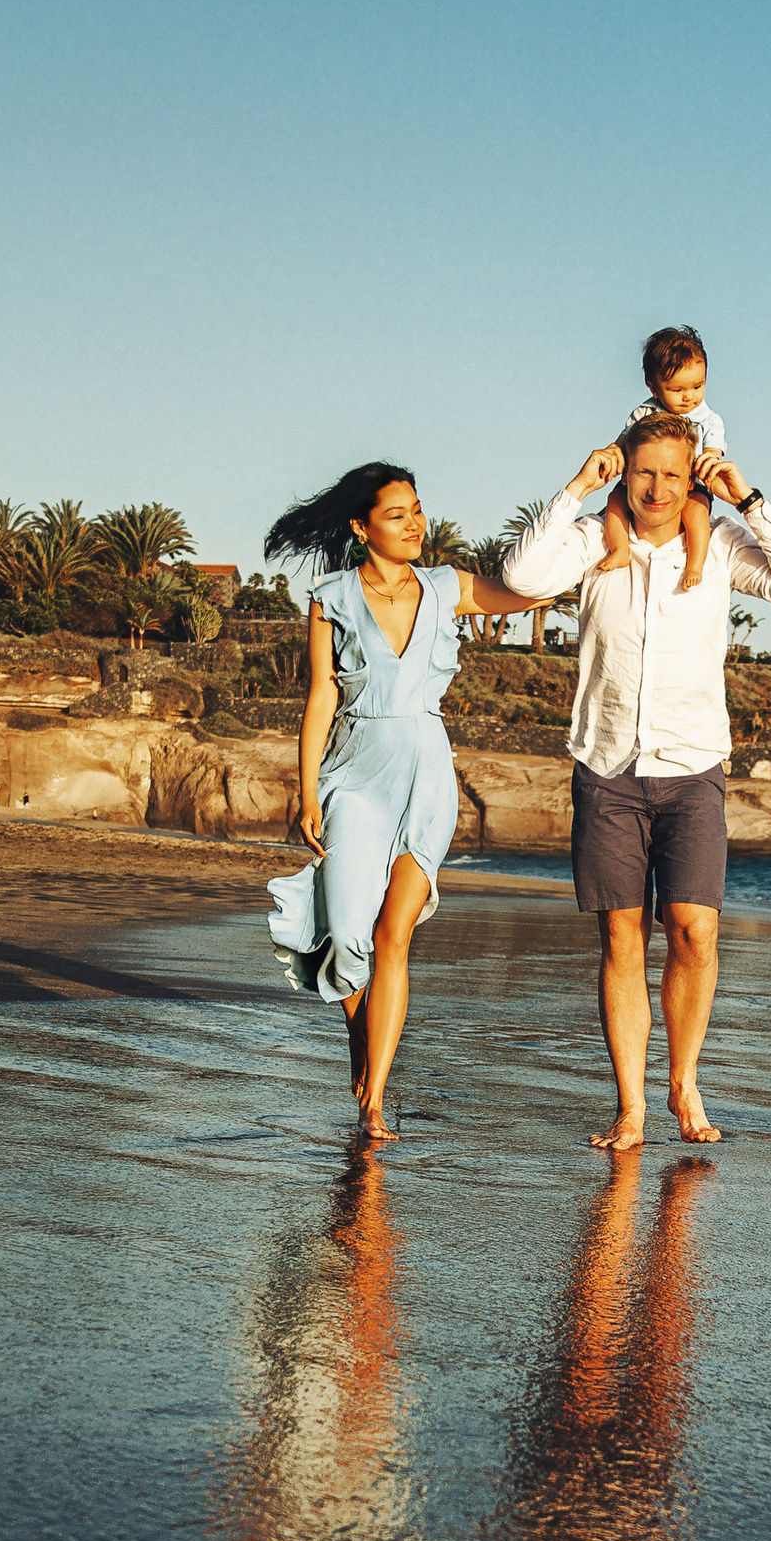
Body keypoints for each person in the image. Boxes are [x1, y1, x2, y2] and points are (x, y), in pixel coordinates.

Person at [503, 409, 771, 1151]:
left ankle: (683, 1080)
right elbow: (520, 574)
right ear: (626, 469)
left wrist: (748, 499)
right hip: (608, 766)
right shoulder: (592, 544)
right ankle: (631, 1107)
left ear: (692, 479)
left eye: (673, 475)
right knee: (622, 939)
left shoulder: (721, 549)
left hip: (691, 769)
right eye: (644, 471)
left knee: (694, 930)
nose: (656, 488)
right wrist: (579, 485)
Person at [264, 462, 538, 1138]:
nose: (415, 523)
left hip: (426, 774)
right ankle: (368, 1058)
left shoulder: (448, 588)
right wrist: (307, 791)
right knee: (351, 938)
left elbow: (529, 593)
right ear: (361, 528)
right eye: (397, 514)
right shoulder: (331, 597)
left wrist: (591, 510)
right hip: (354, 773)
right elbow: (321, 696)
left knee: (394, 938)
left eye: (417, 509)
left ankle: (374, 1101)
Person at [595, 323, 727, 593]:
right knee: (615, 501)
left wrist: (711, 456)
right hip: (643, 481)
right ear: (654, 388)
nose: (689, 396)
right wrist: (614, 452)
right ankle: (620, 549)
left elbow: (714, 443)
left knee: (697, 511)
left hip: (693, 483)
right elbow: (624, 441)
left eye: (697, 386)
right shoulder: (643, 413)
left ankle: (695, 563)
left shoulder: (707, 418)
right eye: (677, 390)